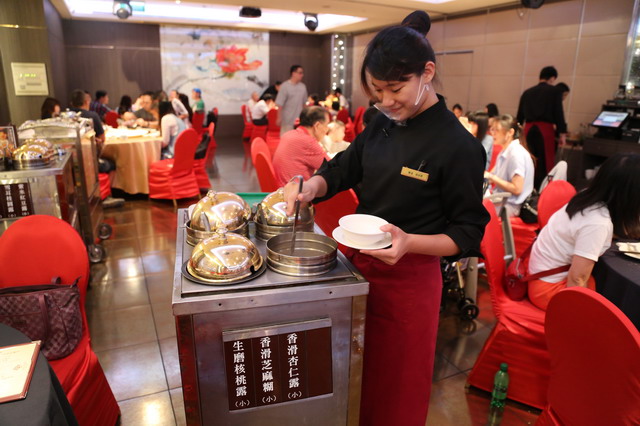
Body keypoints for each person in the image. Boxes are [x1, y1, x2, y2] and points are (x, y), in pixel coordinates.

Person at [283, 11, 488, 425]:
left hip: (409, 282)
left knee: (395, 392)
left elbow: (467, 232)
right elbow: (344, 167)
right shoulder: (381, 121)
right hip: (355, 270)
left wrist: (411, 242)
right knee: (352, 379)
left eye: (395, 89)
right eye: (376, 92)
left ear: (426, 73)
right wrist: (310, 187)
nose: (385, 102)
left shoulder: (458, 146)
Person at [528, 153, 640, 310]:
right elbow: (577, 279)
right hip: (547, 290)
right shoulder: (598, 222)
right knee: (609, 307)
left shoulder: (588, 198)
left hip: (539, 275)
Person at [69, 89, 124, 208]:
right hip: (89, 162)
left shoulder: (67, 117)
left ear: (72, 103)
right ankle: (105, 195)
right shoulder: (91, 116)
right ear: (86, 101)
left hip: (70, 163)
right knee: (112, 164)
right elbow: (102, 138)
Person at [517, 66, 567, 187]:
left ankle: (527, 186)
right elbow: (559, 113)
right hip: (545, 130)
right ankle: (542, 189)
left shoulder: (527, 92)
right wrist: (562, 133)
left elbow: (519, 116)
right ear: (552, 78)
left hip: (528, 130)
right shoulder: (555, 91)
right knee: (545, 161)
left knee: (529, 159)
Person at [484, 114, 535, 217]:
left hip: (511, 206)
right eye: (491, 130)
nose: (492, 134)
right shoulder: (506, 150)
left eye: (496, 130)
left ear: (510, 132)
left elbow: (517, 189)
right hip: (501, 200)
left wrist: (491, 177)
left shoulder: (515, 154)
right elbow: (490, 175)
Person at [272, 106, 329, 186]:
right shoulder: (308, 142)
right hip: (296, 195)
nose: (327, 130)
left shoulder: (289, 134)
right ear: (317, 126)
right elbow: (331, 168)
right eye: (326, 125)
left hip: (282, 190)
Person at [275, 65, 308, 135]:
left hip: (299, 121)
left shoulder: (303, 87)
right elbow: (280, 104)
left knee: (298, 141)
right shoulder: (285, 86)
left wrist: (306, 117)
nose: (302, 75)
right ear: (293, 73)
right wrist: (279, 118)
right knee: (286, 141)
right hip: (287, 120)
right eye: (300, 73)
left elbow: (304, 103)